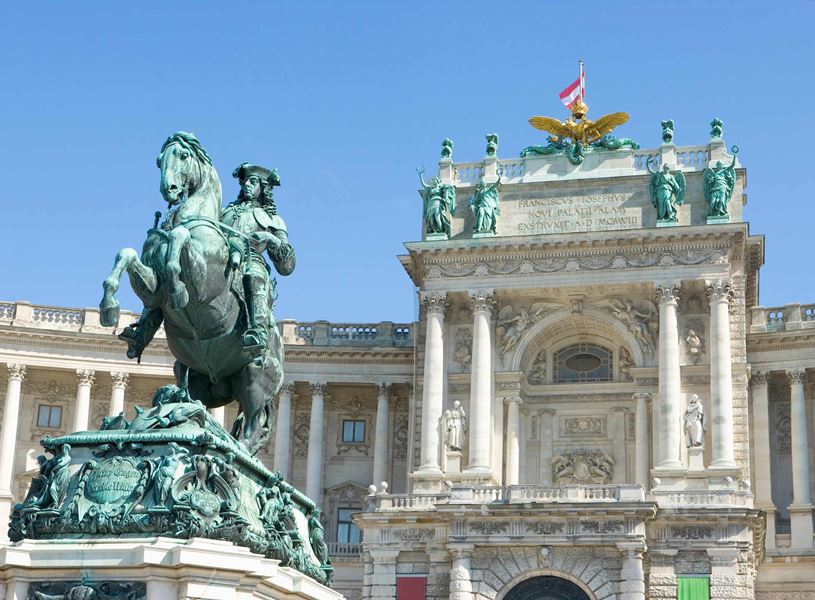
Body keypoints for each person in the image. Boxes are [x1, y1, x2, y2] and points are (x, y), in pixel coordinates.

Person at [221, 163, 296, 361]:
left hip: (251, 260)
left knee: (253, 275)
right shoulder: (224, 213)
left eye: (253, 181)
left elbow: (287, 266)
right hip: (221, 260)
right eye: (245, 181)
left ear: (263, 187)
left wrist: (270, 238)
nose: (247, 184)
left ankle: (258, 331)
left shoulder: (273, 220)